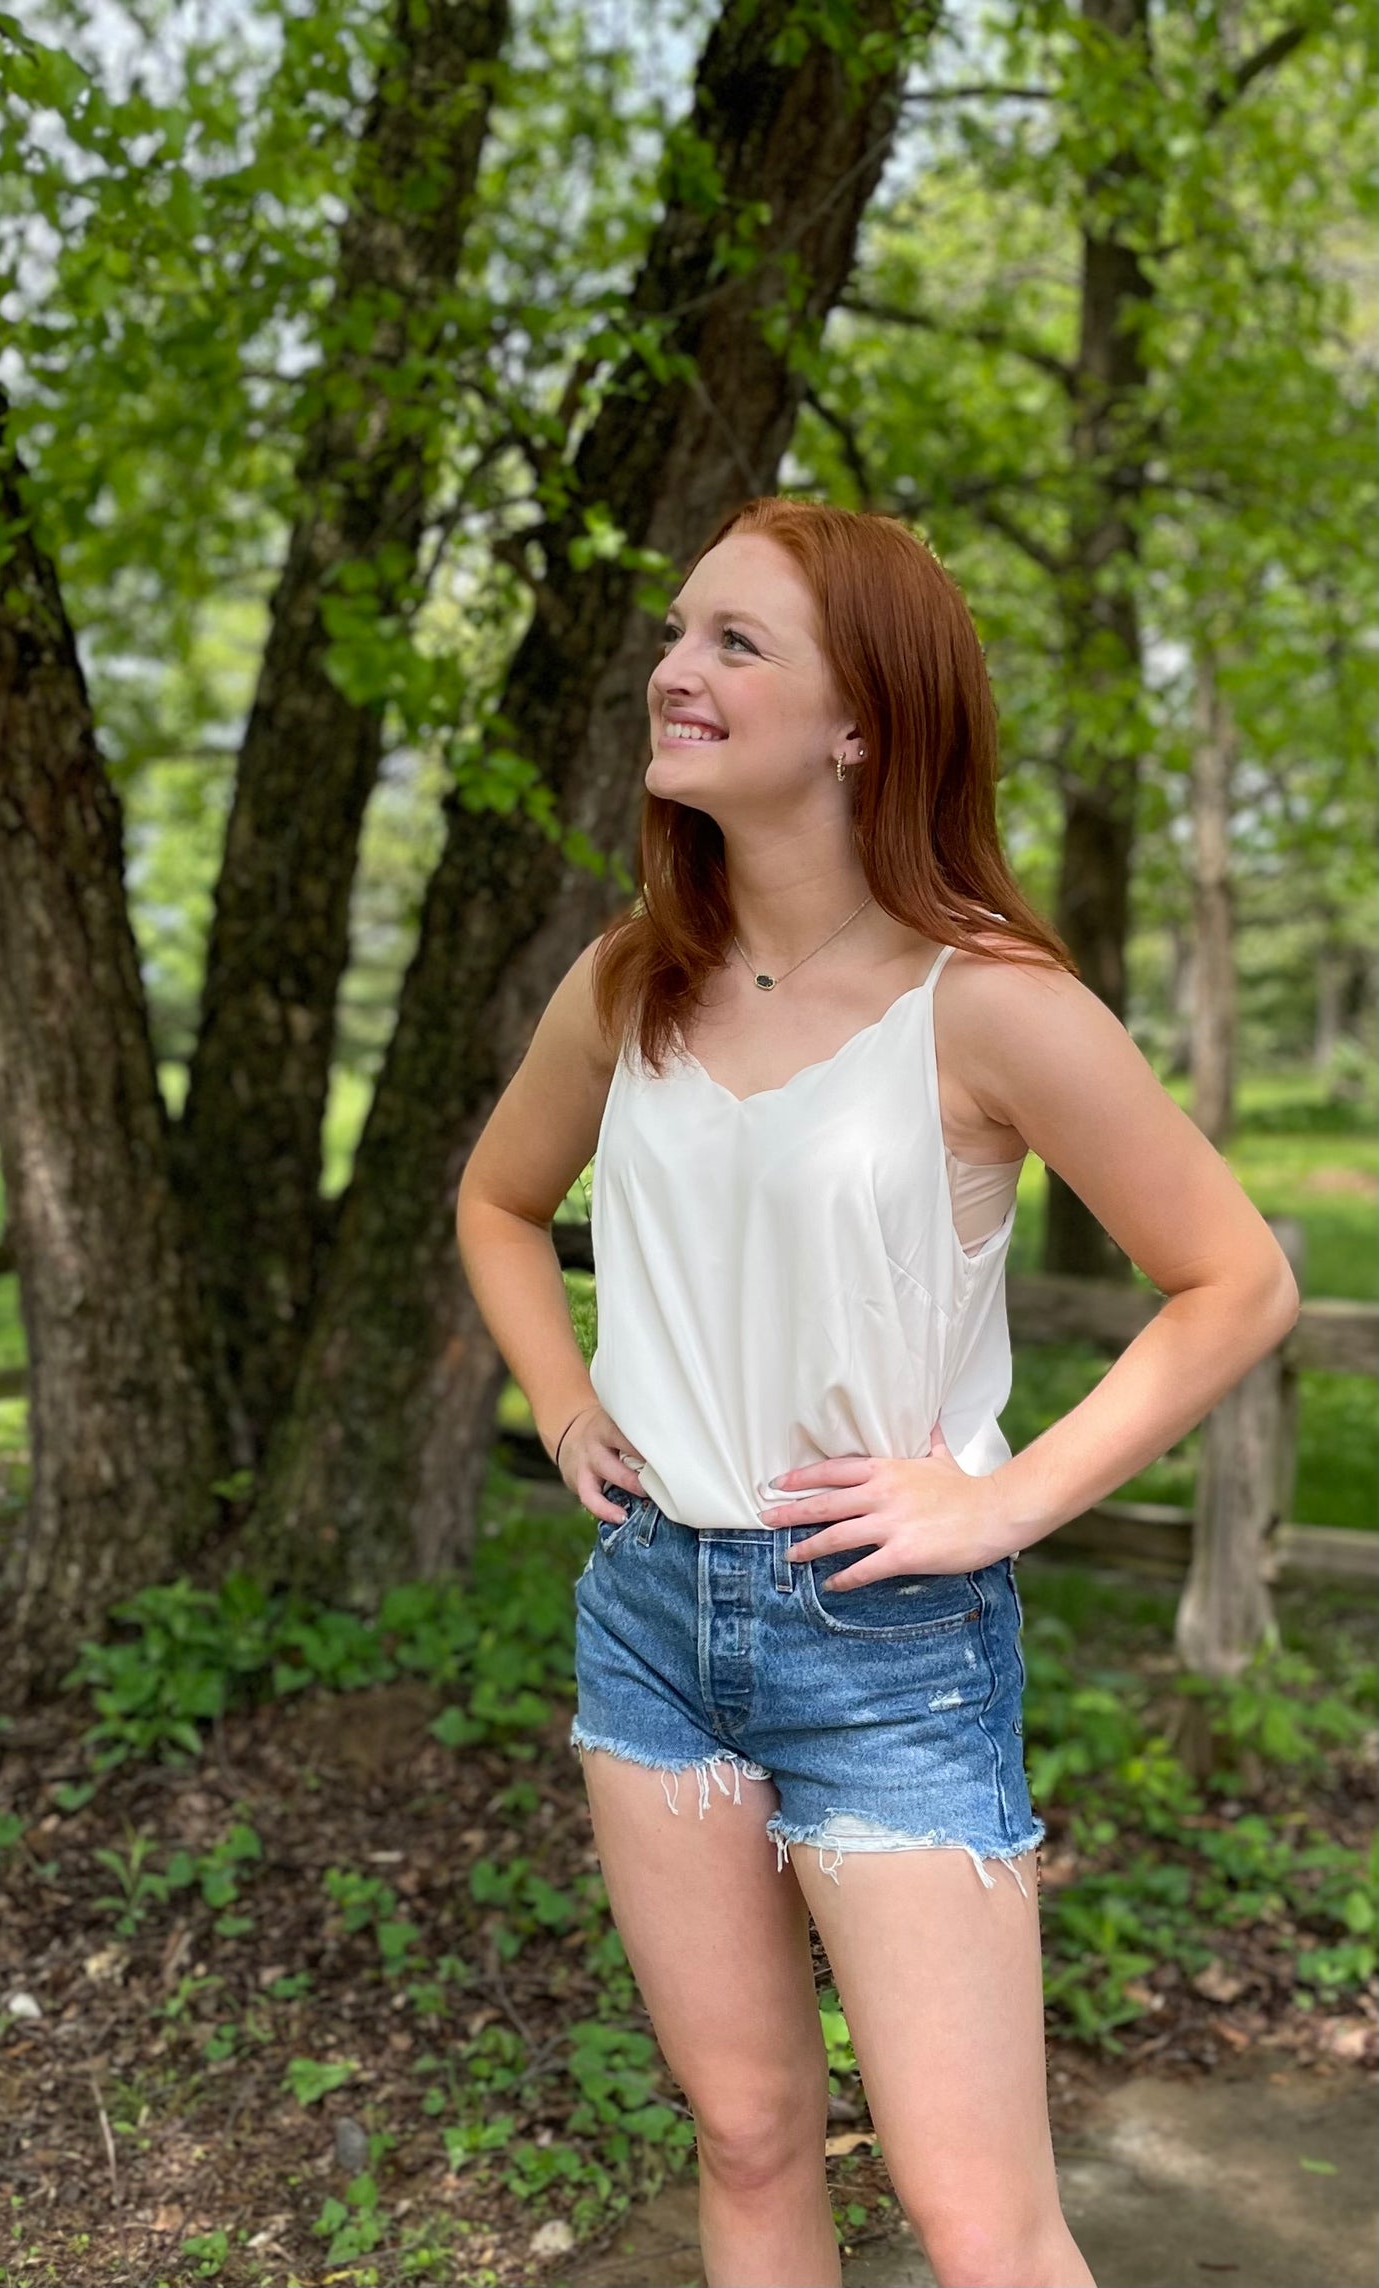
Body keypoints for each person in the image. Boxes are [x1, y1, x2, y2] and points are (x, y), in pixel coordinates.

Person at [455, 498, 1300, 2288]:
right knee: (750, 2136)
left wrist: (999, 1503)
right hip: (652, 1621)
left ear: (861, 722)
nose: (675, 672)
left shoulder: (986, 1002)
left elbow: (1238, 1281)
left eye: (735, 644)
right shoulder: (630, 987)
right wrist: (561, 1399)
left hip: (885, 1639)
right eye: (680, 635)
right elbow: (496, 1202)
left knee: (980, 2222)